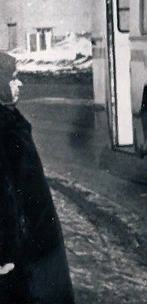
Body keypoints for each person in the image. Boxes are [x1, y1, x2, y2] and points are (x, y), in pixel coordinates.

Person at [0, 52, 75, 304]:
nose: (19, 84)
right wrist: (5, 253)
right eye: (12, 79)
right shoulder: (3, 128)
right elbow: (3, 196)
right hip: (26, 251)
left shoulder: (9, 120)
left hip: (36, 243)